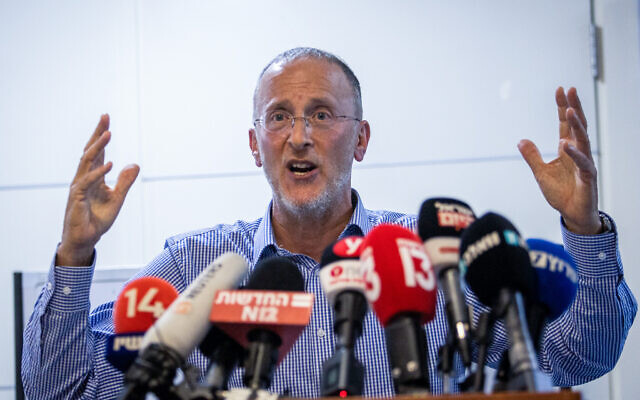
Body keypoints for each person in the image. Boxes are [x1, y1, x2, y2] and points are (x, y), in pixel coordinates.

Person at [22, 47, 636, 399]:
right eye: (279, 117)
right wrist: (74, 255)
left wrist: (583, 230)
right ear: (256, 144)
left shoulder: (424, 253)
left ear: (361, 138)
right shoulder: (195, 265)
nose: (300, 137)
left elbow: (583, 353)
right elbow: (62, 388)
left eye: (322, 114)